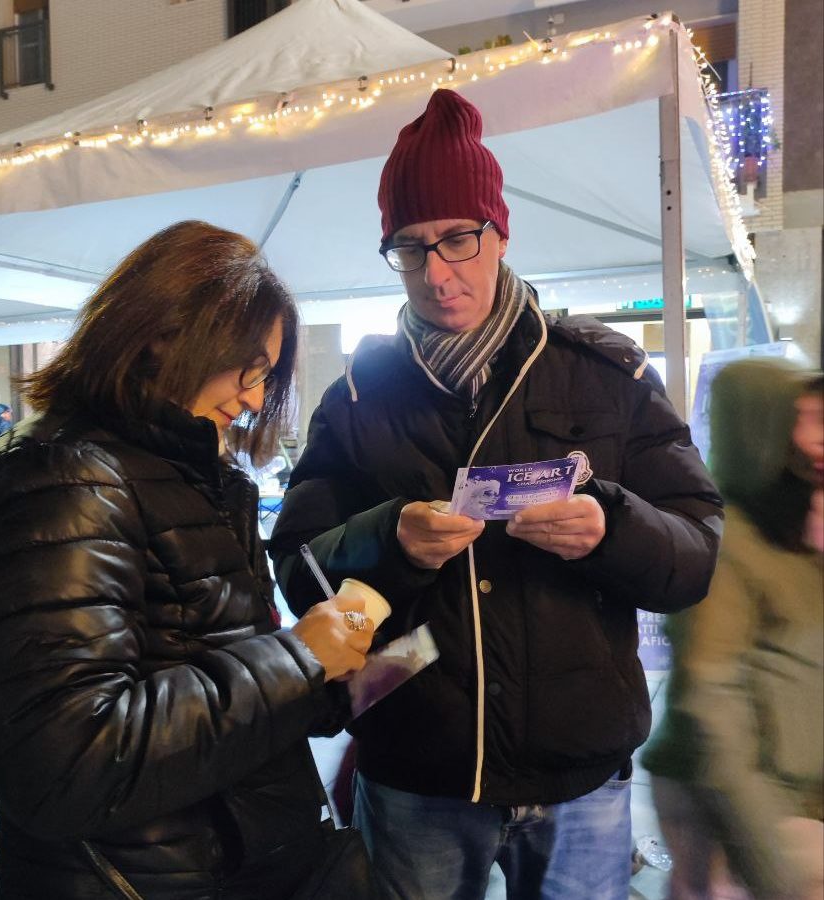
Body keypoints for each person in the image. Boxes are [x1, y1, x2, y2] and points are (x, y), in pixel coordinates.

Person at [268, 89, 724, 900]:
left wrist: (610, 529)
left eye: (458, 239)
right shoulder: (358, 398)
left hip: (580, 776)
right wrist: (387, 542)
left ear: (500, 232)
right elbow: (298, 573)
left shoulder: (603, 374)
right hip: (419, 772)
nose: (437, 273)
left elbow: (696, 554)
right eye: (410, 250)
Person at [0, 221, 374, 899]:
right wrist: (297, 660)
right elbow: (70, 762)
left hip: (236, 862)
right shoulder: (58, 478)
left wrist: (327, 678)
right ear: (166, 334)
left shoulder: (194, 474)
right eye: (249, 368)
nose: (255, 398)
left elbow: (208, 668)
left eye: (266, 376)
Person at [642, 359, 823, 900]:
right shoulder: (728, 545)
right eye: (805, 419)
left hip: (789, 789)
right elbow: (711, 705)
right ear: (764, 429)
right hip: (722, 794)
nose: (819, 438)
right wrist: (768, 853)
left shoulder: (797, 523)